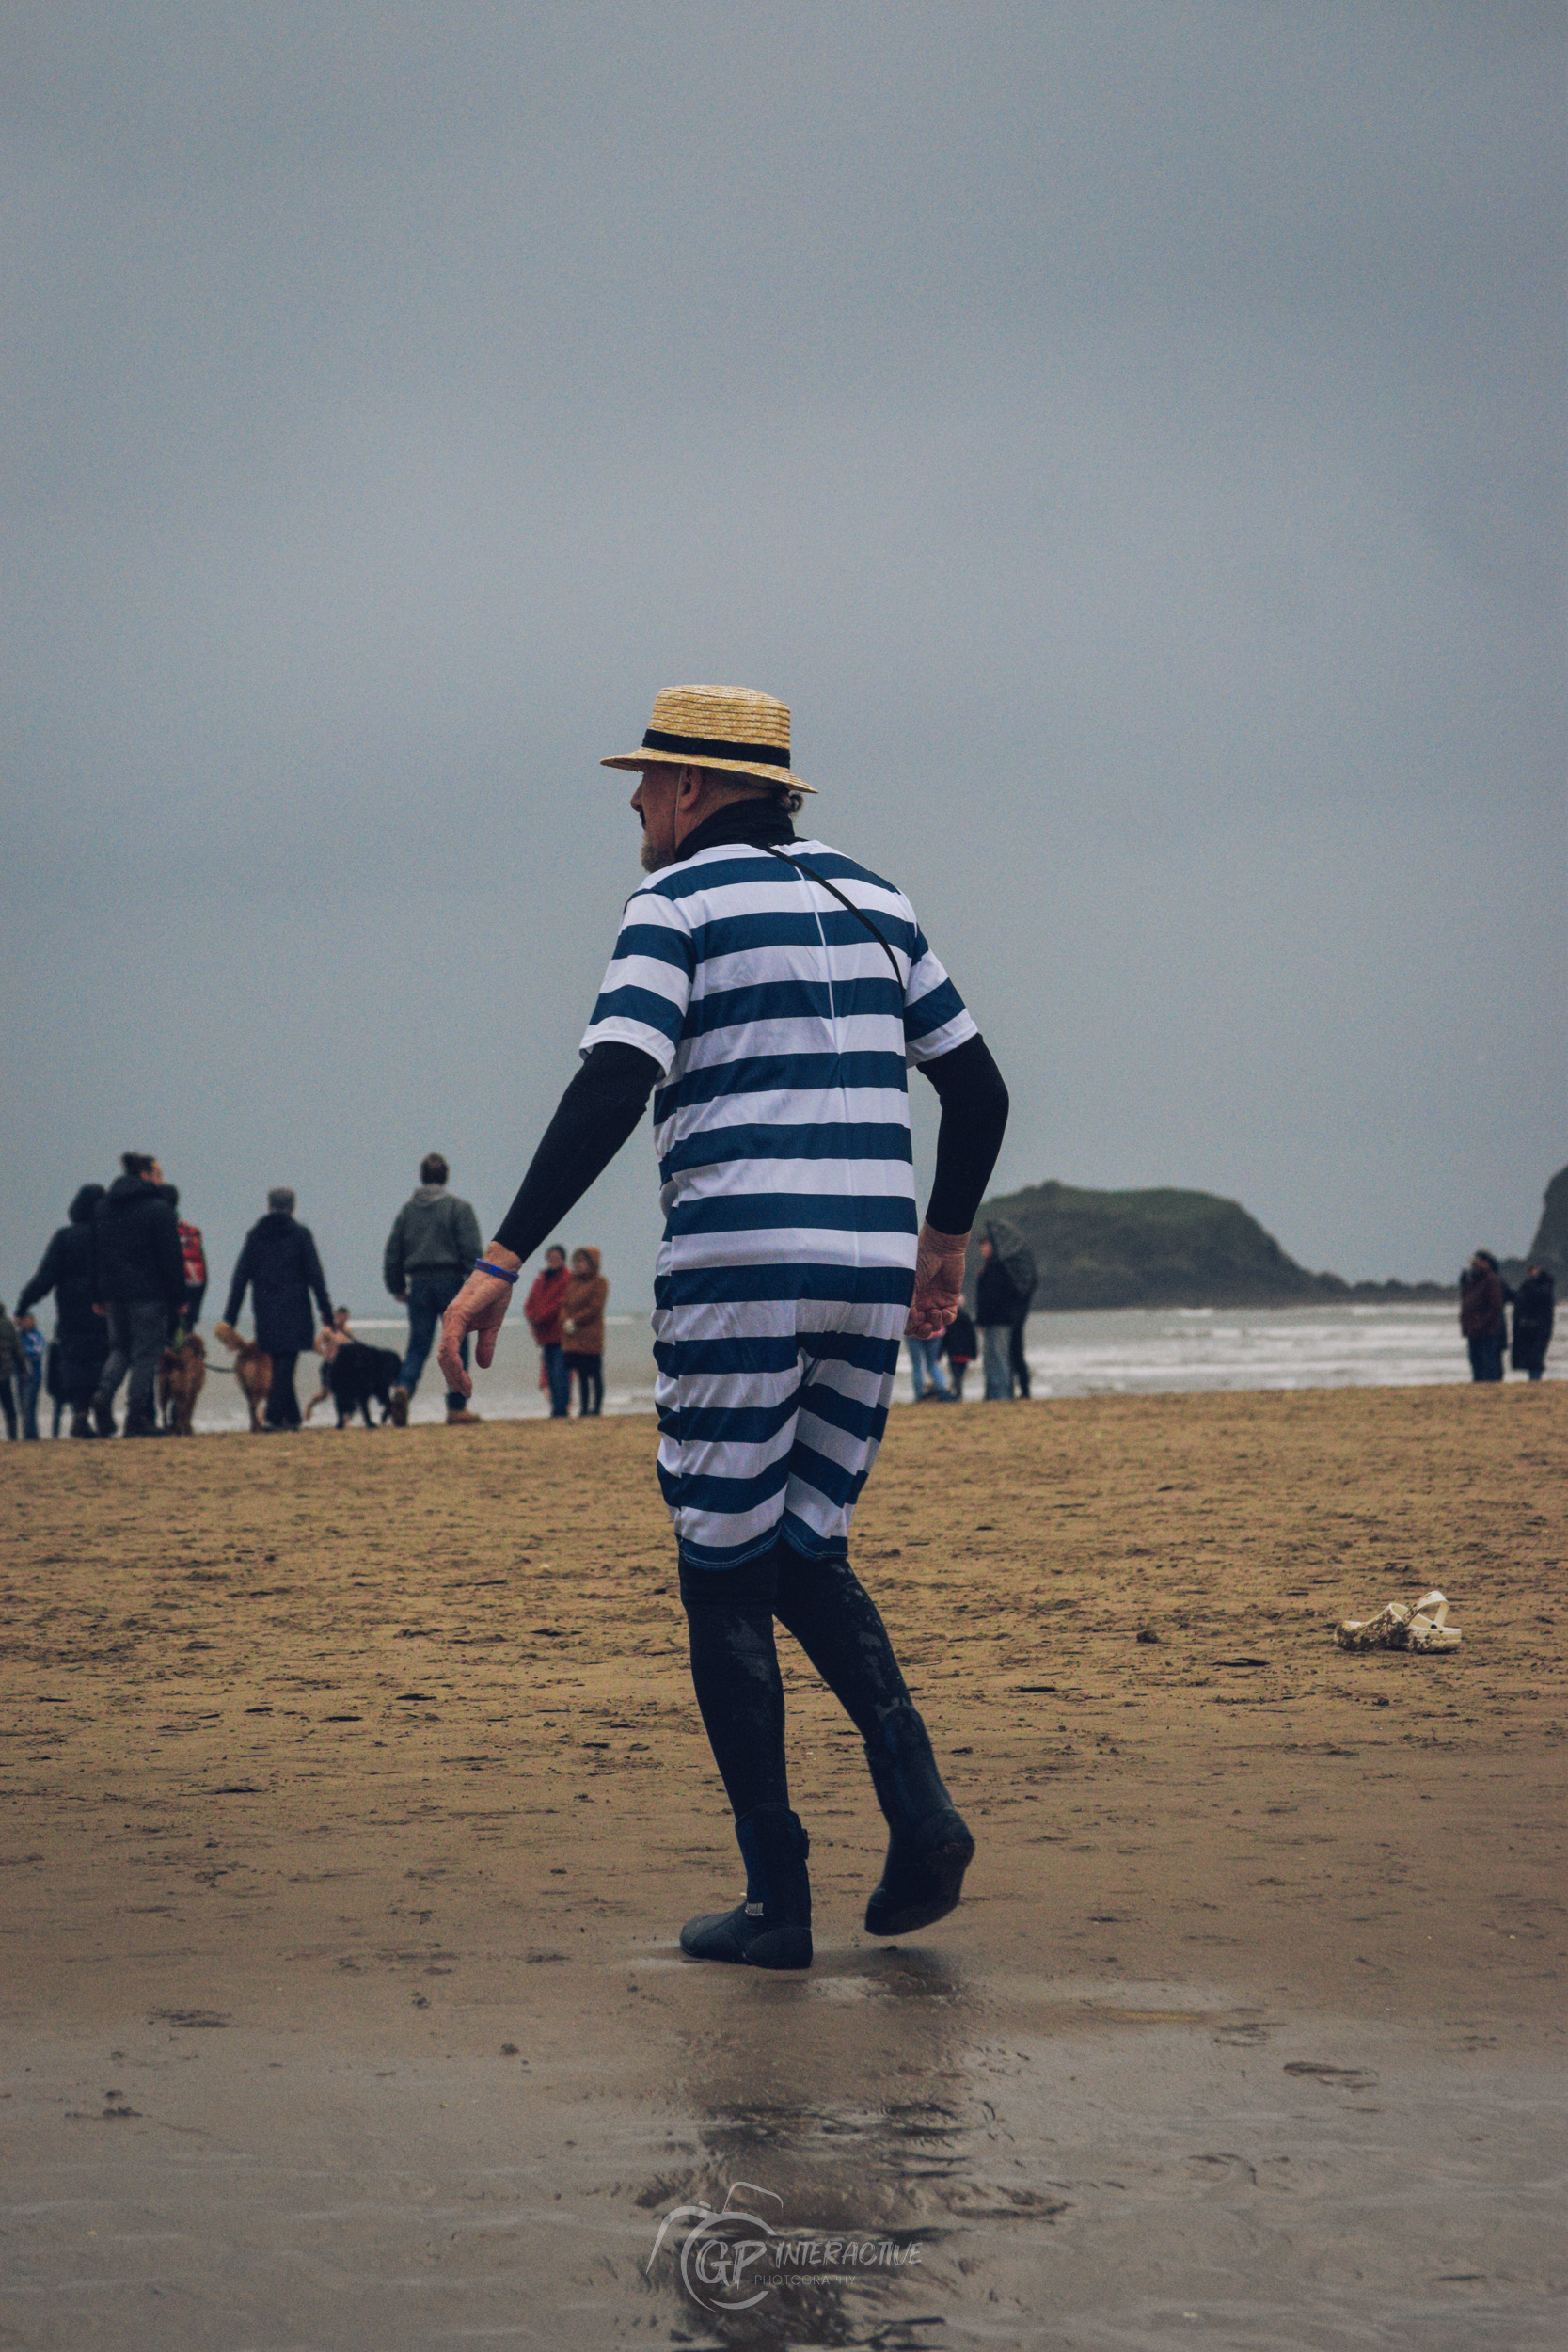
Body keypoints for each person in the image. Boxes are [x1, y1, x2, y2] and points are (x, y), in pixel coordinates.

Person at [436, 682, 1008, 1972]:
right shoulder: (878, 899)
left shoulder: (674, 903)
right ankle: (918, 1812)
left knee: (716, 1567)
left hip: (740, 1263)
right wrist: (938, 1246)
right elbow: (976, 1088)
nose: (634, 803)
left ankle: (775, 1900)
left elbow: (613, 1079)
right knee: (804, 1545)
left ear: (693, 788)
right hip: (865, 1270)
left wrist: (501, 1255)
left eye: (644, 780)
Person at [384, 1153, 485, 1428]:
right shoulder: (458, 1208)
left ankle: (404, 1387)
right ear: (446, 1176)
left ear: (422, 1176)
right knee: (456, 1343)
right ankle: (456, 1407)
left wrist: (397, 1285)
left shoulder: (407, 1211)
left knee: (418, 1344)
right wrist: (475, 1283)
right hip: (450, 1280)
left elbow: (393, 1252)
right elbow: (472, 1250)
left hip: (418, 1282)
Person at [221, 1187, 334, 1430]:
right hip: (296, 1309)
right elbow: (316, 1276)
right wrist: (327, 1313)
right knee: (285, 1363)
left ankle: (292, 1418)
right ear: (292, 1207)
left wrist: (230, 1317)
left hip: (265, 1310)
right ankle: (273, 1417)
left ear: (269, 1206)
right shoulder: (301, 1235)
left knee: (282, 1362)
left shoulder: (256, 1235)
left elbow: (240, 1277)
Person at [91, 1153, 187, 1436]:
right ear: (145, 1175)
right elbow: (171, 1258)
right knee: (146, 1355)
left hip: (114, 1294)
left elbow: (95, 1254)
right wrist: (180, 1298)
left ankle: (103, 1396)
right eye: (157, 1173)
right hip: (149, 1294)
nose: (161, 1179)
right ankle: (136, 1418)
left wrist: (97, 1294)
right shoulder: (159, 1209)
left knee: (119, 1349)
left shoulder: (102, 1208)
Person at [14, 1184, 109, 1437]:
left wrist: (24, 1303)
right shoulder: (107, 1236)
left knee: (77, 1361)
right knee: (104, 1361)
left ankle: (80, 1414)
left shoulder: (64, 1238)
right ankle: (102, 1411)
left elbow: (45, 1277)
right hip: (103, 1310)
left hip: (71, 1313)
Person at [524, 1244, 572, 1417]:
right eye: (551, 1257)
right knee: (551, 1374)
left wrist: (539, 1318)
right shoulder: (541, 1279)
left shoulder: (567, 1278)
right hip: (544, 1336)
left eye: (557, 1257)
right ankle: (556, 1409)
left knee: (561, 1374)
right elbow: (529, 1303)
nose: (553, 1260)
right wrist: (532, 1318)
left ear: (563, 1259)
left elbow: (560, 1303)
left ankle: (562, 1408)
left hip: (561, 1335)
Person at [561, 1246, 609, 1416]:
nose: (578, 1265)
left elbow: (595, 1308)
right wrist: (565, 1320)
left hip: (592, 1336)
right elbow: (564, 1303)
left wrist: (575, 1320)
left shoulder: (599, 1282)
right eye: (576, 1261)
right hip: (574, 1337)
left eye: (582, 1261)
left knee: (595, 1374)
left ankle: (596, 1409)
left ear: (592, 1263)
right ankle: (583, 1408)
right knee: (580, 1375)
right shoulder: (572, 1282)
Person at [975, 1232, 1022, 1399]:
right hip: (993, 1320)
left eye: (985, 1245)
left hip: (999, 1320)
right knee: (991, 1360)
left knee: (999, 1359)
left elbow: (993, 1297)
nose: (983, 1249)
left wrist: (982, 1319)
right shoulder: (989, 1268)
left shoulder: (998, 1269)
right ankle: (993, 1395)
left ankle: (1002, 1395)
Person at [159, 1185, 208, 1334]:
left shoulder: (157, 1232)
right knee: (182, 1352)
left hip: (161, 1309)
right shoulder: (190, 1233)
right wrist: (194, 1312)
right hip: (187, 1308)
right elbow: (202, 1274)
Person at [1459, 1248, 1507, 1383]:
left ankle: (1491, 1391)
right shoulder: (1472, 1281)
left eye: (1476, 1263)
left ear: (1486, 1263)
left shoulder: (1492, 1280)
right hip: (1474, 1331)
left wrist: (1481, 1324)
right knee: (1476, 1364)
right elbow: (1467, 1303)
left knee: (1488, 1365)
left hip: (1488, 1332)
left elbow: (1495, 1306)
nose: (1473, 1266)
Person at [304, 1306, 355, 1421]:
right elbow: (315, 1344)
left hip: (344, 1366)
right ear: (336, 1316)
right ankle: (309, 1406)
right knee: (324, 1394)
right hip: (329, 1365)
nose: (343, 1319)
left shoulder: (347, 1330)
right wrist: (325, 1354)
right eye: (341, 1317)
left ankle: (345, 1417)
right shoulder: (328, 1330)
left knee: (346, 1391)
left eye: (346, 1317)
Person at [1511, 1263, 1555, 1383]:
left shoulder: (1545, 1285)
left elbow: (1540, 1298)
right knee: (1530, 1358)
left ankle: (1535, 1380)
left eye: (1534, 1270)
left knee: (1536, 1358)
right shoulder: (1528, 1285)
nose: (1532, 1272)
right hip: (1528, 1328)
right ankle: (1533, 1380)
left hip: (1540, 1328)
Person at [16, 1314, 44, 1440]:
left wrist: (22, 1352)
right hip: (20, 1375)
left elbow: (37, 1352)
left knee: (29, 1406)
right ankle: (27, 1434)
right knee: (23, 1407)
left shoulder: (36, 1335)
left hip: (33, 1376)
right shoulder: (18, 1336)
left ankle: (31, 1435)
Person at [941, 1304, 978, 1400]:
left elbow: (946, 1338)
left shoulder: (949, 1321)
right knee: (960, 1374)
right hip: (965, 1353)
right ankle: (958, 1393)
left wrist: (940, 1352)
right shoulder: (967, 1318)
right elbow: (972, 1337)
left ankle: (958, 1393)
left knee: (955, 1373)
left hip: (953, 1352)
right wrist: (974, 1354)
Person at [904, 1331, 951, 1401]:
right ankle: (942, 1390)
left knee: (917, 1365)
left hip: (913, 1331)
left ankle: (919, 1395)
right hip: (935, 1331)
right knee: (932, 1365)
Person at [0, 1302, 20, 1439]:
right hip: (5, 1371)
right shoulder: (8, 1324)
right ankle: (13, 1436)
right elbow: (17, 1348)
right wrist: (23, 1368)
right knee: (9, 1404)